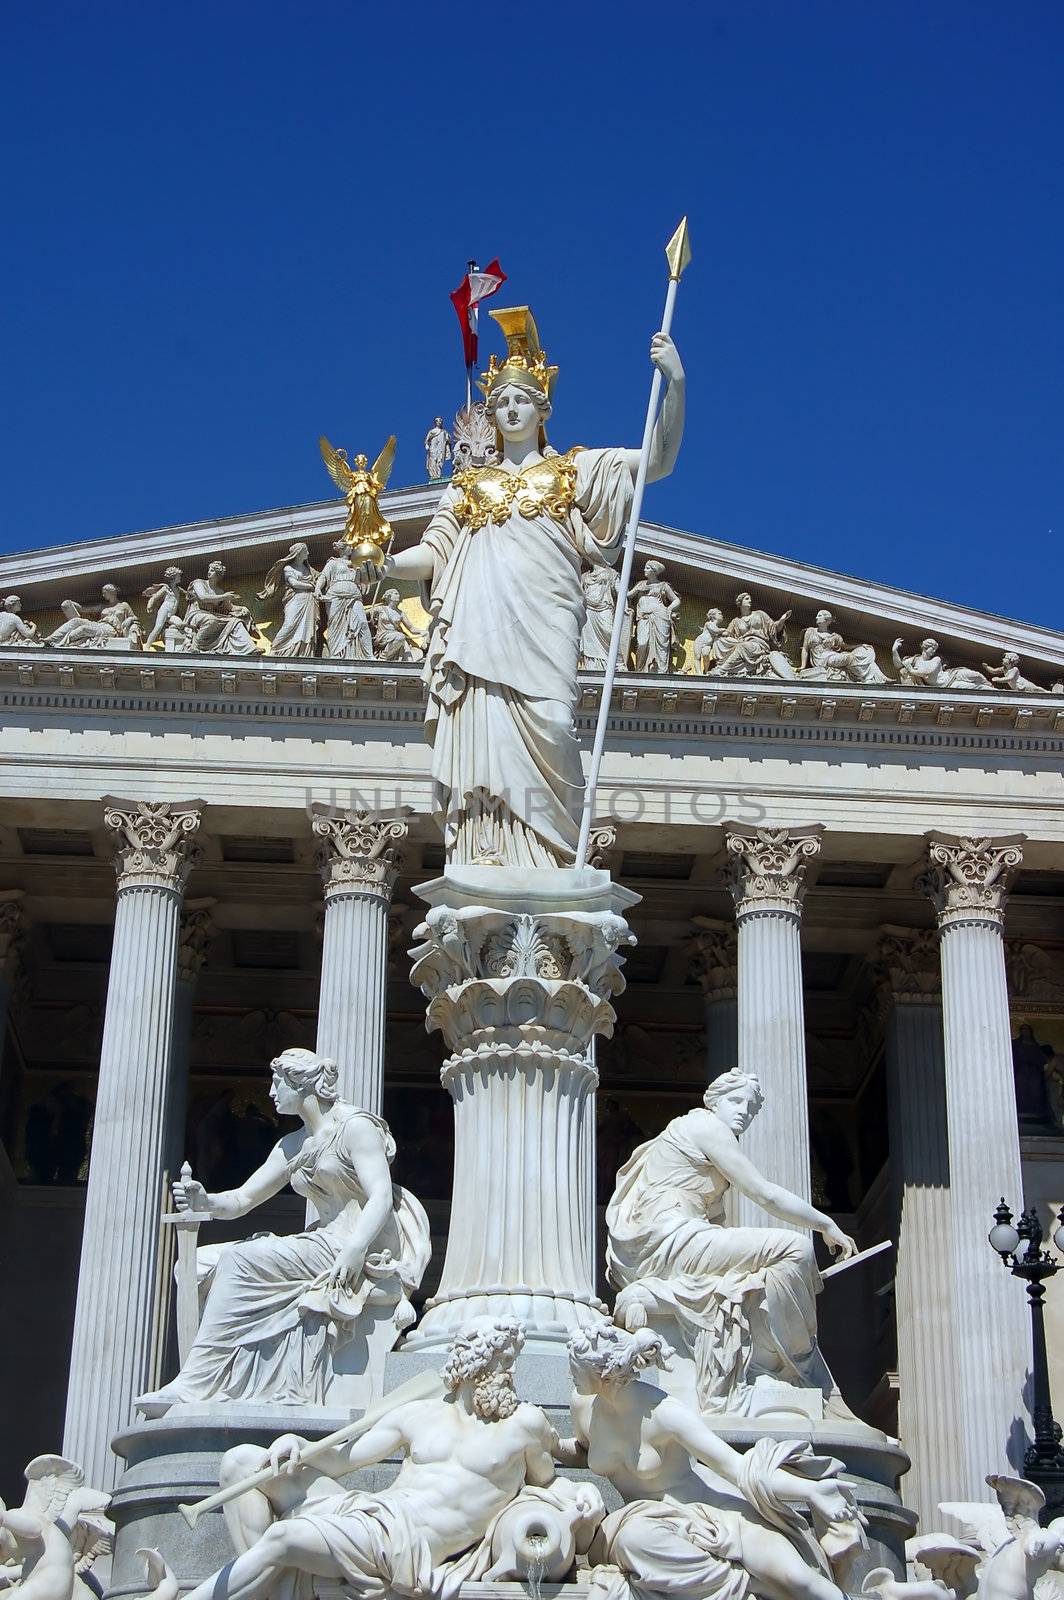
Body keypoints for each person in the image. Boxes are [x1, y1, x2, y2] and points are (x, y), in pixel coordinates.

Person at [350, 307, 685, 867]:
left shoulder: (574, 472)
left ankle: (551, 858)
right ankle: (490, 853)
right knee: (482, 740)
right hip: (480, 632)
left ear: (543, 408)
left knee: (554, 721)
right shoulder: (468, 486)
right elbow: (435, 553)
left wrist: (674, 382)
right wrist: (382, 565)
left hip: (545, 624)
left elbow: (657, 462)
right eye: (501, 401)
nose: (510, 408)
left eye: (521, 399)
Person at [142, 1318, 561, 1600]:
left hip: (405, 1544)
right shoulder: (421, 1413)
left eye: (512, 1359)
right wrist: (298, 1445)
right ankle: (268, 1584)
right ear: (473, 1363)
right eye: (503, 1357)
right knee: (244, 1462)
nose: (510, 1368)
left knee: (285, 1539)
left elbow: (548, 1482)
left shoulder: (525, 1424)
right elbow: (344, 1462)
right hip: (374, 1513)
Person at [136, 1048, 430, 1412]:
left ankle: (194, 1383)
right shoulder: (291, 1145)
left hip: (354, 1243)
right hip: (321, 1241)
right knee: (194, 1264)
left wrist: (354, 1250)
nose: (271, 1093)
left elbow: (382, 1195)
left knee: (239, 1261)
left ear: (300, 1083)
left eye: (277, 1083)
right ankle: (218, 1381)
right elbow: (243, 1200)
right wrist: (205, 1201)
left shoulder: (355, 1127)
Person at [606, 1070, 855, 1414]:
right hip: (673, 1240)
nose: (743, 1112)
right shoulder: (707, 1127)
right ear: (713, 1101)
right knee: (793, 1249)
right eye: (735, 1101)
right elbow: (763, 1194)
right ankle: (775, 1367)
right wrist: (825, 1223)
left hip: (668, 1241)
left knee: (756, 1274)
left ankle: (766, 1361)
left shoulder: (684, 1129)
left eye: (750, 1108)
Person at [567, 1324, 863, 1600]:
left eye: (575, 1367)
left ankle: (754, 1580)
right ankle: (748, 1583)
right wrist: (545, 1444)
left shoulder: (665, 1412)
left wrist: (810, 1492)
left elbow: (738, 1468)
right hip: (645, 1520)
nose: (570, 1373)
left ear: (604, 1375)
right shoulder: (582, 1405)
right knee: (634, 1541)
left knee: (801, 1580)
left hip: (712, 1511)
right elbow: (582, 1451)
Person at [259, 543, 320, 658]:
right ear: (298, 553)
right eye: (305, 551)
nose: (308, 553)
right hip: (295, 600)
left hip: (308, 600)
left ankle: (304, 653)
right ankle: (276, 649)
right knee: (290, 624)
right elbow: (294, 583)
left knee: (307, 628)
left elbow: (321, 577)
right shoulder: (288, 568)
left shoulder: (309, 569)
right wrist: (311, 586)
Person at [712, 595, 795, 679]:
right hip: (743, 643)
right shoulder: (735, 621)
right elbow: (728, 633)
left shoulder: (760, 614)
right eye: (747, 599)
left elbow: (773, 627)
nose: (750, 601)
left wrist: (781, 620)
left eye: (750, 599)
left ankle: (722, 670)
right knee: (719, 641)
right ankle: (724, 667)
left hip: (759, 644)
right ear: (740, 602)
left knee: (743, 646)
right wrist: (716, 632)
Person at [315, 541, 374, 659]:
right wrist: (317, 589)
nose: (352, 549)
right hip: (335, 596)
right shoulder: (333, 562)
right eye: (350, 547)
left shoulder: (357, 564)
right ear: (343, 548)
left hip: (354, 596)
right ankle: (336, 654)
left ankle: (368, 655)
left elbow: (366, 580)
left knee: (362, 622)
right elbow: (323, 576)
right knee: (335, 624)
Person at [185, 561, 258, 654]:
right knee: (211, 619)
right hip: (197, 614)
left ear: (218, 575)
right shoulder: (199, 583)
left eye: (212, 571)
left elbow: (230, 608)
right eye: (209, 570)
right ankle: (195, 646)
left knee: (236, 622)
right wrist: (224, 596)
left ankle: (250, 648)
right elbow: (203, 597)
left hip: (213, 616)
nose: (209, 572)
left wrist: (242, 609)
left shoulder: (219, 591)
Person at [799, 611, 885, 685]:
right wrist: (803, 667)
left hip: (831, 656)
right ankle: (866, 678)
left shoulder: (834, 636)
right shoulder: (810, 631)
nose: (816, 617)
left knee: (860, 653)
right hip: (821, 659)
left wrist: (860, 645)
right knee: (849, 657)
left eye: (820, 615)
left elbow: (846, 646)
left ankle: (869, 677)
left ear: (827, 620)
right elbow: (805, 649)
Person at [627, 560, 681, 673]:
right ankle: (640, 670)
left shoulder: (663, 585)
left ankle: (661, 670)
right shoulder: (640, 584)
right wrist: (637, 590)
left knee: (661, 645)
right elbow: (627, 595)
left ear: (654, 571)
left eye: (647, 568)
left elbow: (676, 600)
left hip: (660, 616)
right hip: (643, 617)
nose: (644, 570)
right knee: (642, 643)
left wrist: (668, 609)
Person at [891, 638, 993, 690]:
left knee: (976, 675)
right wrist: (894, 650)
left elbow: (928, 672)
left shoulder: (936, 659)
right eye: (932, 648)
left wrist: (912, 671)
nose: (934, 651)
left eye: (935, 649)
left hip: (952, 675)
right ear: (925, 647)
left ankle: (991, 686)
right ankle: (993, 691)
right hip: (949, 685)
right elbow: (898, 665)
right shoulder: (914, 661)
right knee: (976, 688)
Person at [579, 567, 631, 670]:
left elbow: (620, 591)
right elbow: (579, 592)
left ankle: (618, 663)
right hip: (588, 608)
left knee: (609, 632)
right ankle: (591, 665)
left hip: (604, 607)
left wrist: (625, 607)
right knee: (589, 639)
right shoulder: (585, 576)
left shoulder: (612, 573)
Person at [425, 417, 452, 481]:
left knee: (440, 460)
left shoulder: (444, 432)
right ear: (435, 422)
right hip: (433, 448)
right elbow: (427, 440)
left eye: (440, 421)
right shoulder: (432, 431)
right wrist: (427, 445)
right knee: (433, 460)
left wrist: (448, 439)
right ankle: (433, 475)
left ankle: (438, 474)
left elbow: (448, 440)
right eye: (437, 421)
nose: (439, 422)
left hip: (440, 448)